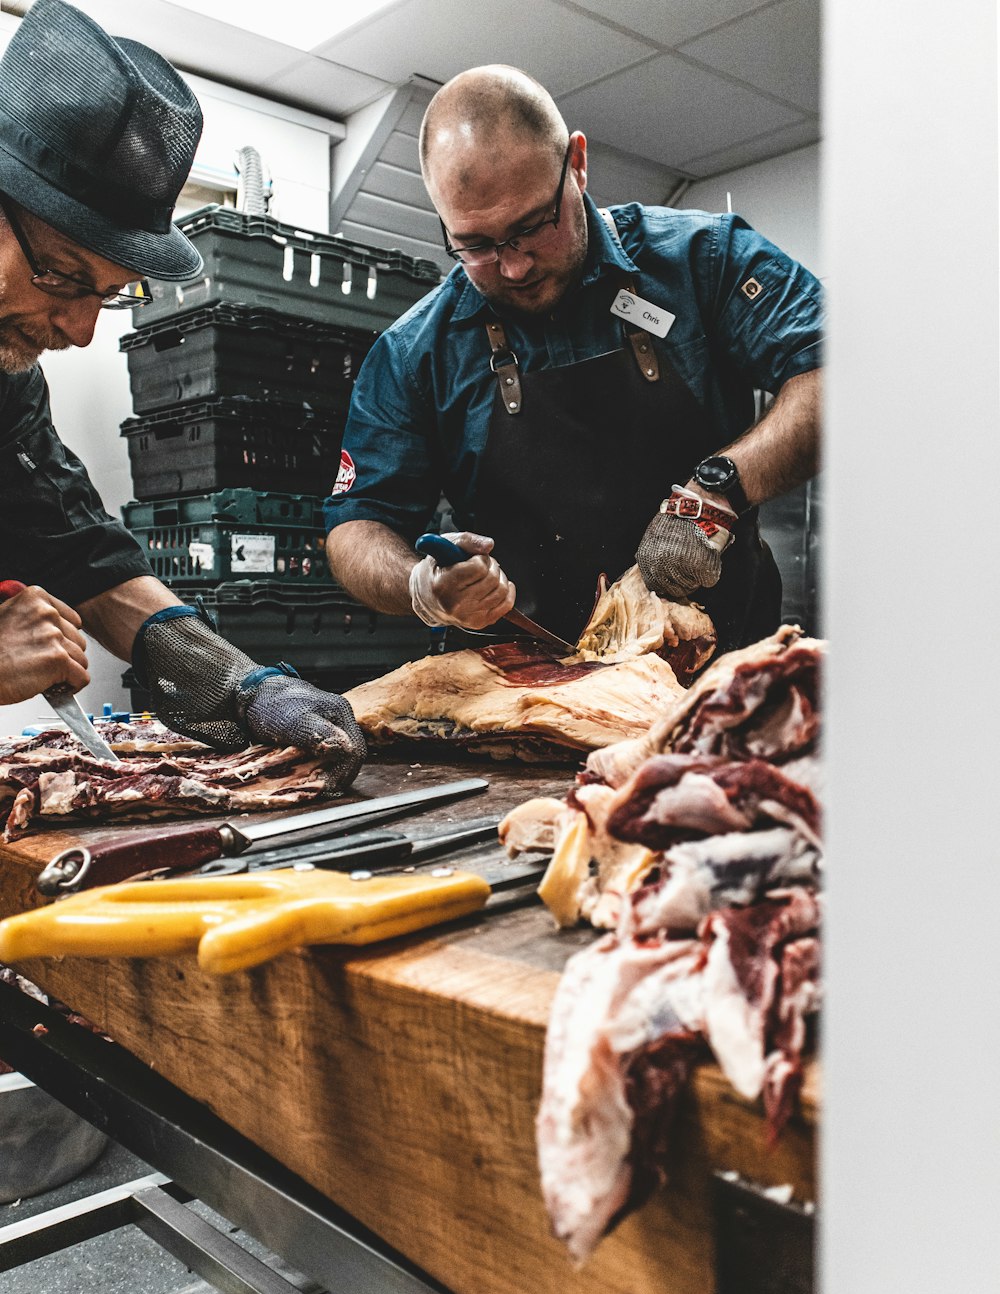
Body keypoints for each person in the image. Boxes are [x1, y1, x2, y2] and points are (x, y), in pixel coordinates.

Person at [325, 65, 822, 655]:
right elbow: (356, 525)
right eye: (476, 246)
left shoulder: (703, 263)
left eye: (532, 226)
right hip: (527, 692)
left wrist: (716, 494)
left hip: (720, 672)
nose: (513, 266)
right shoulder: (415, 353)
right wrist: (420, 583)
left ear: (577, 165)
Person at [0, 0, 364, 779]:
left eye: (109, 293)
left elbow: (85, 558)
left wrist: (241, 688)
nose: (79, 331)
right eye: (63, 275)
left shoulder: (9, 383)